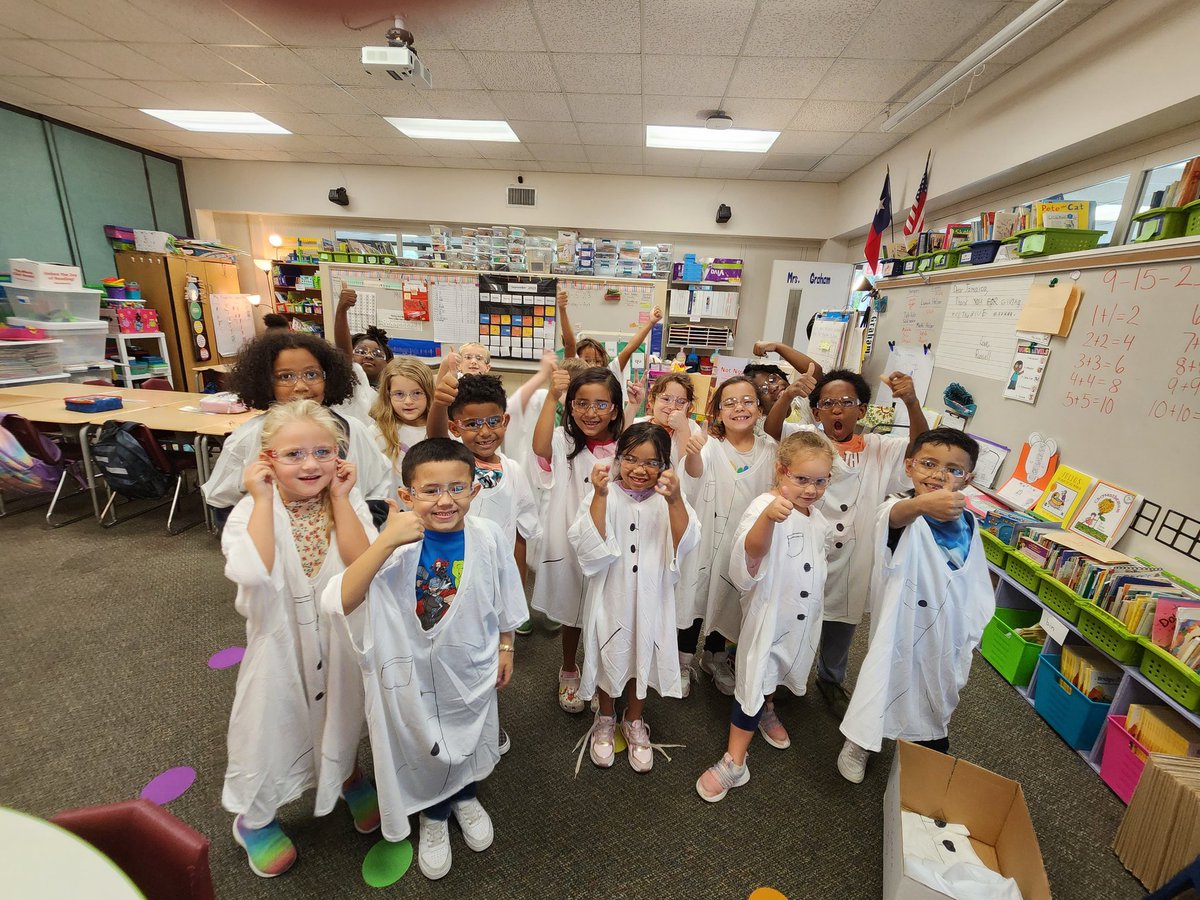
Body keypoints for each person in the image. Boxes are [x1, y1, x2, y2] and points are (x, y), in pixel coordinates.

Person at [328, 438, 527, 880]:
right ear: (406, 496)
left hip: (471, 664)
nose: (444, 500)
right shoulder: (397, 544)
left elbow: (506, 594)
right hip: (413, 670)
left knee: (470, 730)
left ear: (475, 491)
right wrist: (385, 540)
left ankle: (465, 795)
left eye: (457, 488)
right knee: (423, 740)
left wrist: (507, 644)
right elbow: (346, 596)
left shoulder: (489, 537)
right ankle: (433, 815)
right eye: (430, 490)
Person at [220, 399, 378, 877]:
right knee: (271, 727)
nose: (310, 465)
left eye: (323, 452)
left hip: (337, 639)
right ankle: (256, 816)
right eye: (293, 455)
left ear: (339, 455)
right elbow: (255, 570)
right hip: (279, 646)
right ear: (267, 460)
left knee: (343, 710)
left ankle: (346, 773)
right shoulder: (249, 511)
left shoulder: (343, 503)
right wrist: (264, 500)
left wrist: (341, 499)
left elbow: (362, 563)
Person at [764, 367, 928, 718]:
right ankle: (776, 681)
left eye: (846, 402)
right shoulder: (807, 438)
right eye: (827, 403)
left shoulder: (879, 448)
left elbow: (919, 449)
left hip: (856, 554)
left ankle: (830, 678)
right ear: (817, 410)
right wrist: (788, 395)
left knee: (842, 620)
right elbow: (772, 430)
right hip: (805, 549)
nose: (837, 410)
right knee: (792, 616)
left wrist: (912, 403)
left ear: (862, 410)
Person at [837, 429, 994, 784]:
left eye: (953, 470)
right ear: (909, 466)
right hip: (901, 621)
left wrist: (971, 625)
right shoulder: (898, 509)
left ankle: (926, 750)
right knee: (884, 681)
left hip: (946, 628)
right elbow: (894, 517)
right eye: (928, 464)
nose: (939, 475)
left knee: (935, 690)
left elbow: (973, 579)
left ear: (967, 480)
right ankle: (860, 741)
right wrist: (923, 504)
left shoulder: (968, 522)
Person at [696, 429, 836, 802]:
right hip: (768, 614)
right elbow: (750, 553)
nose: (810, 489)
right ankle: (734, 761)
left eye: (820, 481)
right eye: (801, 479)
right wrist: (769, 520)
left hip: (799, 619)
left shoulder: (817, 518)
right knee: (753, 679)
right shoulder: (765, 506)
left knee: (777, 670)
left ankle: (767, 709)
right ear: (781, 471)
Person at [569, 422, 698, 772]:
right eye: (630, 459)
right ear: (617, 458)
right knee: (609, 650)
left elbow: (686, 541)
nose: (640, 469)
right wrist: (598, 496)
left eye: (652, 462)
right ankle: (606, 717)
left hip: (652, 596)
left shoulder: (668, 499)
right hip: (612, 592)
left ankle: (635, 720)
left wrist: (673, 499)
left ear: (665, 465)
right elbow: (589, 546)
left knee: (644, 650)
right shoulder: (606, 492)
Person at [202, 331, 395, 528]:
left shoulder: (354, 430)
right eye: (285, 376)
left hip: (352, 547)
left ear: (329, 377)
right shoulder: (249, 437)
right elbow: (223, 501)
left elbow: (378, 487)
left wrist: (361, 527)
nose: (301, 386)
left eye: (312, 374)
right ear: (266, 381)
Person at [531, 365, 624, 713]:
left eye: (601, 405)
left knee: (607, 610)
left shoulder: (623, 446)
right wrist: (552, 396)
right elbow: (539, 445)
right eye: (581, 403)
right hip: (568, 542)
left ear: (614, 409)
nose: (591, 412)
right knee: (572, 610)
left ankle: (602, 672)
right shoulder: (563, 441)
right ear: (570, 407)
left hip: (609, 540)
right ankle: (569, 667)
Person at [680, 375, 778, 696]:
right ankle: (682, 660)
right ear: (718, 411)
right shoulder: (710, 445)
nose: (739, 407)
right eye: (730, 402)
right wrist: (693, 452)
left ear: (760, 408)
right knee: (697, 594)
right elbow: (693, 474)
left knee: (733, 598)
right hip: (709, 536)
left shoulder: (770, 450)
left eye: (747, 401)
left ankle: (716, 657)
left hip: (745, 540)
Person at [428, 367, 540, 645]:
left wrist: (517, 588)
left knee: (491, 649)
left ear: (506, 420)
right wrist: (439, 405)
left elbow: (520, 534)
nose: (485, 432)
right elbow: (436, 441)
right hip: (451, 578)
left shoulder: (513, 471)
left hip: (495, 580)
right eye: (473, 424)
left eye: (493, 421)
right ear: (455, 427)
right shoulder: (454, 462)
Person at [556, 286, 662, 392]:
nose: (593, 365)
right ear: (578, 360)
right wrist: (562, 309)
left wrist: (651, 322)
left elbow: (629, 348)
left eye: (598, 361)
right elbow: (570, 344)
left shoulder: (610, 372)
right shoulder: (576, 372)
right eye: (587, 360)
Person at [368, 356, 435, 482]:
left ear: (428, 392)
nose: (408, 401)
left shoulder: (441, 430)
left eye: (416, 393)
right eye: (399, 394)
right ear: (388, 395)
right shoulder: (376, 433)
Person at [333, 287, 392, 423]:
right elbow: (343, 350)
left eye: (377, 354)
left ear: (388, 363)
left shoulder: (391, 391)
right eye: (361, 351)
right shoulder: (353, 380)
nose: (368, 356)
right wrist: (342, 311)